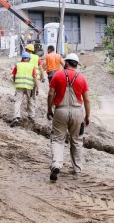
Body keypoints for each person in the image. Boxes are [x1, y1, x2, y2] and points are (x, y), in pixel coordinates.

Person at [47, 53, 91, 182]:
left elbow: (50, 94)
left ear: (66, 63)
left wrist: (49, 109)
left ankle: (56, 164)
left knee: (57, 140)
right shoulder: (82, 78)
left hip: (60, 111)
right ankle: (77, 170)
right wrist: (87, 116)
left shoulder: (58, 75)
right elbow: (87, 100)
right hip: (77, 112)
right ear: (76, 64)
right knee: (77, 141)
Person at [11, 51, 38, 126]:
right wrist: (37, 88)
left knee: (18, 101)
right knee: (30, 101)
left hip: (19, 86)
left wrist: (15, 82)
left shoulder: (18, 65)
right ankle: (31, 116)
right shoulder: (32, 66)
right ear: (29, 59)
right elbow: (35, 78)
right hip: (29, 87)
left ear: (22, 59)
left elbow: (13, 76)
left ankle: (16, 117)